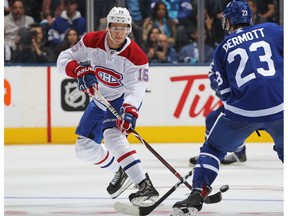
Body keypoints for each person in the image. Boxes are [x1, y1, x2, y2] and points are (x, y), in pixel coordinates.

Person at [172, 0, 283, 214]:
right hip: (281, 106)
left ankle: (197, 193)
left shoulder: (222, 48)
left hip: (243, 111)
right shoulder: (271, 29)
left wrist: (245, 112)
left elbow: (223, 91)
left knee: (212, 149)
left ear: (228, 22)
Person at [56, 7, 159, 206]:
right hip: (99, 98)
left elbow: (136, 89)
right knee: (83, 148)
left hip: (120, 99)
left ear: (129, 28)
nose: (119, 32)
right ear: (108, 26)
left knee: (113, 137)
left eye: (124, 27)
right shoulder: (91, 41)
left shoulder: (137, 57)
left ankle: (144, 185)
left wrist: (129, 112)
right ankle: (121, 170)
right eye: (115, 27)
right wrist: (78, 70)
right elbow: (62, 60)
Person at [189, 62, 247, 165]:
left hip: (249, 101)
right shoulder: (221, 53)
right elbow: (212, 71)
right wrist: (216, 82)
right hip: (238, 102)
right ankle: (237, 153)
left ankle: (210, 154)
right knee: (213, 119)